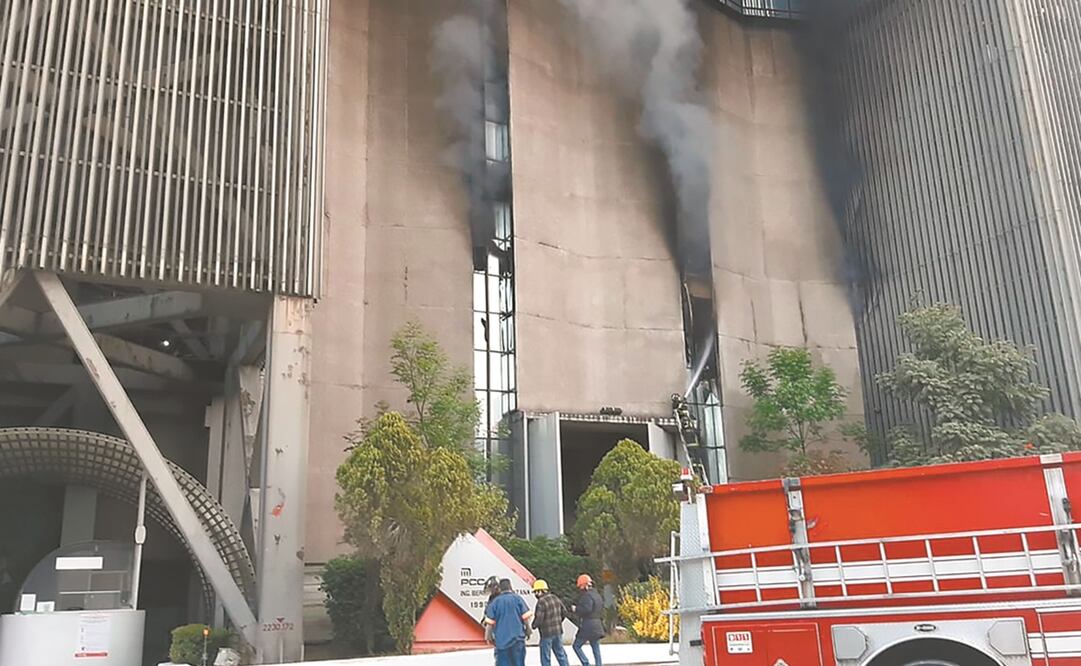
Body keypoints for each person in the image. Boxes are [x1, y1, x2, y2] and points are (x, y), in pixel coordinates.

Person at [484, 578, 533, 666]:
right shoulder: (518, 599)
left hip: (501, 641)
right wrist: (528, 630)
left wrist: (488, 636)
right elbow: (525, 618)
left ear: (500, 589)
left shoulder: (495, 602)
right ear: (510, 587)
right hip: (518, 639)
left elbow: (489, 624)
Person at [532, 579, 570, 666]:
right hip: (558, 632)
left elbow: (539, 619)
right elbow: (564, 612)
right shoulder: (555, 598)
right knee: (561, 654)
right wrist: (559, 622)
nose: (535, 594)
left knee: (546, 657)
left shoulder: (541, 602)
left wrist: (533, 625)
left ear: (540, 591)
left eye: (536, 592)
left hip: (546, 634)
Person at [571, 574, 604, 666]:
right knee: (595, 648)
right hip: (597, 625)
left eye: (581, 586)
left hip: (588, 626)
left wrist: (576, 609)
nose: (580, 588)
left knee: (576, 646)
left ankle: (586, 663)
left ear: (585, 585)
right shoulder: (597, 595)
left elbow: (586, 609)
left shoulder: (586, 596)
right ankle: (599, 664)